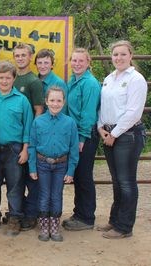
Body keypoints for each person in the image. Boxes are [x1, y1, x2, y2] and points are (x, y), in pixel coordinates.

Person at [97, 40, 147, 239]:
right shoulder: (109, 78)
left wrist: (115, 134)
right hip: (109, 133)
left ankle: (125, 226)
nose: (118, 58)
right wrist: (101, 128)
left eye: (122, 54)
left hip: (127, 135)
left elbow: (134, 112)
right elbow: (103, 106)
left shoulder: (136, 79)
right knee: (117, 181)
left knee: (126, 182)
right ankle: (115, 220)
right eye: (115, 54)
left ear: (130, 55)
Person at [0, 61, 34, 236]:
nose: (4, 81)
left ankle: (14, 218)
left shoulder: (22, 100)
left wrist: (25, 149)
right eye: (1, 77)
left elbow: (28, 126)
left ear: (14, 79)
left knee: (15, 185)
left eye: (8, 78)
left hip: (15, 149)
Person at [28, 86, 79, 242]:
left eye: (59, 100)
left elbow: (74, 148)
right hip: (42, 164)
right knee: (44, 195)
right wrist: (32, 167)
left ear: (64, 102)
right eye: (52, 100)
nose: (55, 104)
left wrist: (71, 170)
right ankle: (44, 225)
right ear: (46, 101)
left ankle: (55, 225)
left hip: (61, 165)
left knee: (56, 195)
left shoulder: (69, 123)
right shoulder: (38, 122)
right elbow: (32, 145)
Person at [62, 48, 101, 231]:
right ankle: (79, 213)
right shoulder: (73, 81)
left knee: (84, 175)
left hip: (84, 135)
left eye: (81, 61)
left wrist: (83, 137)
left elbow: (88, 113)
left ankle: (86, 218)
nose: (77, 64)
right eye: (74, 60)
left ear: (88, 62)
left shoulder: (90, 84)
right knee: (78, 175)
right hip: (74, 133)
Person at [12, 42, 44, 231]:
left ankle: (32, 215)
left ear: (30, 57)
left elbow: (38, 111)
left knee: (32, 179)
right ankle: (21, 212)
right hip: (14, 139)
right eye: (17, 55)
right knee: (17, 180)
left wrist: (30, 140)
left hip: (29, 139)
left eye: (24, 55)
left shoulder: (34, 82)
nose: (20, 58)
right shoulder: (12, 79)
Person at [35, 48, 68, 113]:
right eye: (39, 63)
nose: (42, 66)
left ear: (52, 65)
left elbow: (63, 109)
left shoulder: (59, 83)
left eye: (46, 63)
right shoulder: (34, 81)